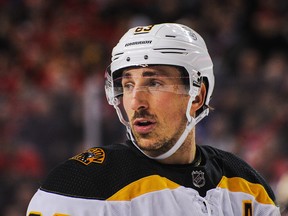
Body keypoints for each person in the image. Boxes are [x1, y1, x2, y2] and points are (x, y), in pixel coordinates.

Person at [26, 23, 280, 216]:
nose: (136, 102)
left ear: (197, 96)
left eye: (154, 83)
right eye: (127, 85)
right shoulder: (82, 186)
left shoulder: (248, 185)